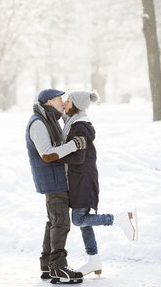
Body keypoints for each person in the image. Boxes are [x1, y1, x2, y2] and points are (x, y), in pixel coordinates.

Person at [42, 90, 138, 276]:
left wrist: (54, 157)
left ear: (76, 105)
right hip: (79, 179)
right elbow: (62, 116)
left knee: (79, 219)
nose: (65, 103)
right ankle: (94, 260)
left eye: (68, 101)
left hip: (83, 180)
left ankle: (118, 219)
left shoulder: (79, 127)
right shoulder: (74, 122)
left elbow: (78, 157)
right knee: (84, 222)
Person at [25, 88, 85, 282]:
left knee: (54, 221)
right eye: (60, 99)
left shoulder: (50, 120)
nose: (63, 101)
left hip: (56, 177)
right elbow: (47, 154)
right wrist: (74, 145)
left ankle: (47, 265)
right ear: (49, 102)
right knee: (61, 222)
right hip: (52, 179)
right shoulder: (38, 123)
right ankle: (58, 268)